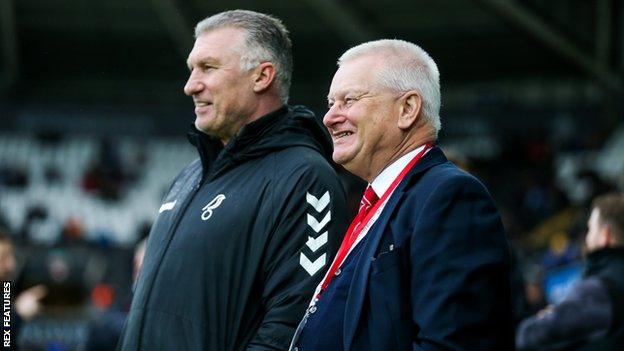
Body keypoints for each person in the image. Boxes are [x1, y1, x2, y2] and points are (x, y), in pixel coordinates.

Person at [117, 10, 348, 351]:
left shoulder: (305, 178)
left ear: (261, 76)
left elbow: (294, 326)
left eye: (208, 68)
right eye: (192, 69)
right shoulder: (190, 175)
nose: (190, 85)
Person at [290, 39, 514, 350]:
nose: (329, 117)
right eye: (330, 104)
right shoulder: (380, 201)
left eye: (349, 100)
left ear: (407, 109)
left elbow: (452, 344)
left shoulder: (449, 197)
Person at [516, 193, 624, 350]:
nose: (586, 237)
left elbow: (529, 335)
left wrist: (548, 317)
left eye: (590, 229)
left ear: (605, 235)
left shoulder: (599, 289)